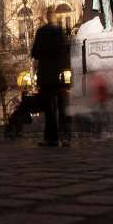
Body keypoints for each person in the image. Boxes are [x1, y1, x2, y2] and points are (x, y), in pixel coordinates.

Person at [31, 8, 71, 147]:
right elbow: (65, 51)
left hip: (46, 74)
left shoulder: (41, 32)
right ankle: (65, 136)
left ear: (47, 17)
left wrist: (44, 54)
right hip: (59, 74)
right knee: (62, 106)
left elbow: (34, 52)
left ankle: (51, 137)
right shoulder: (59, 32)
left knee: (49, 108)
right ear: (54, 17)